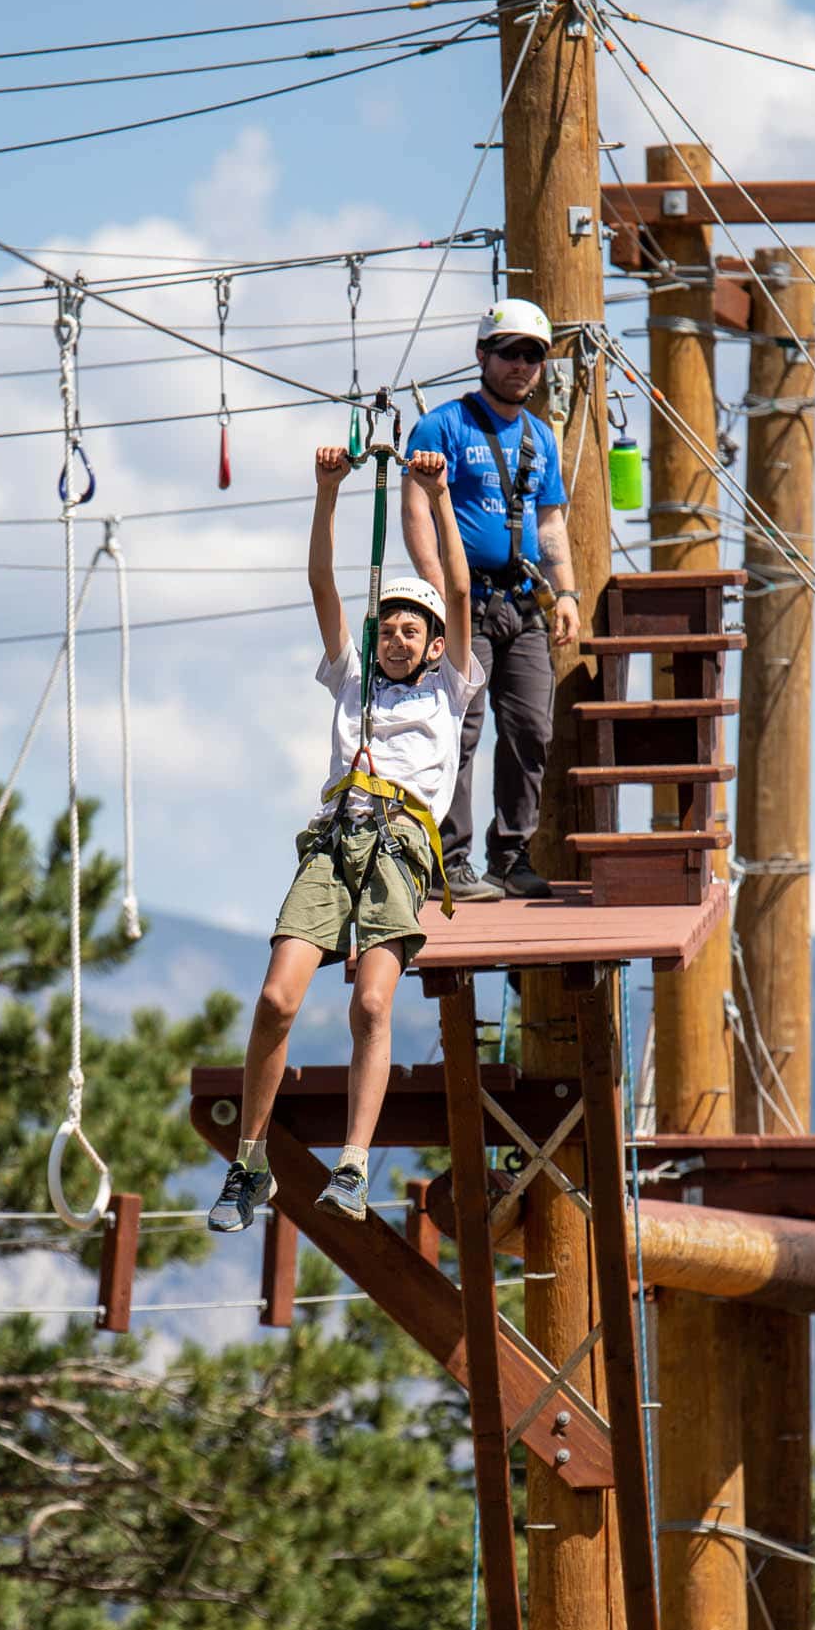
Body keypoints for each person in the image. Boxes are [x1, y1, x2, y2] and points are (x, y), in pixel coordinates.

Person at [208, 445, 479, 1234]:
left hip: (399, 849)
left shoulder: (451, 688)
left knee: (369, 1002)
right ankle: (248, 1163)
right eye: (386, 629)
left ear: (435, 645)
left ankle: (353, 1164)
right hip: (334, 841)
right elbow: (322, 584)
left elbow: (459, 589)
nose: (395, 640)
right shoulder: (352, 679)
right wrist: (327, 493)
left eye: (410, 631)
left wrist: (436, 496)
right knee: (275, 998)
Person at [401, 299, 581, 903]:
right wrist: (438, 592)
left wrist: (566, 592)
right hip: (465, 602)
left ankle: (510, 857)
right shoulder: (443, 427)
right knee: (460, 728)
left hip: (523, 603)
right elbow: (417, 511)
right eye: (510, 352)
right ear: (482, 354)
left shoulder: (540, 437)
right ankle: (448, 861)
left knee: (531, 728)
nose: (521, 365)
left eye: (533, 355)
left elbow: (550, 522)